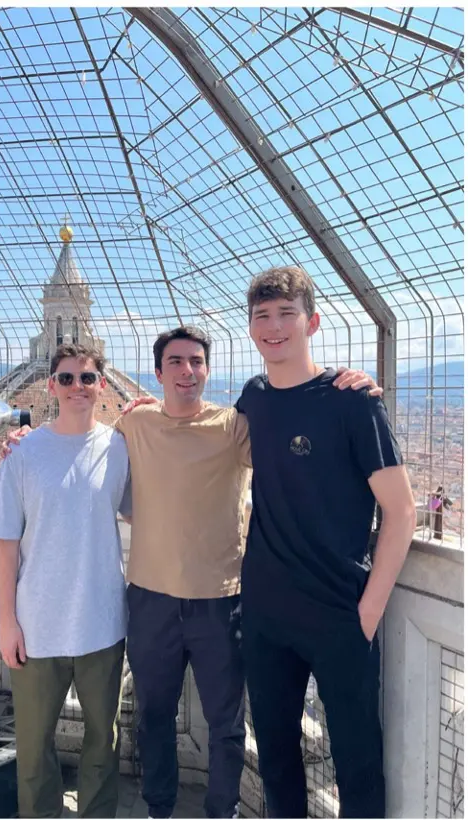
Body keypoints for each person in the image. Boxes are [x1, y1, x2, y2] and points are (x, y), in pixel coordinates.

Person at [5, 326, 380, 819]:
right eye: (176, 362)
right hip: (150, 601)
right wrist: (23, 439)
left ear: (207, 370)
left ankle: (220, 812)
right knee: (153, 717)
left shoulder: (233, 426)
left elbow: (294, 441)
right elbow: (76, 441)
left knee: (227, 725)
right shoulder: (134, 423)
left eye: (196, 361)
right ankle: (160, 809)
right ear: (157, 373)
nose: (187, 371)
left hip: (220, 601)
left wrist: (340, 390)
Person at [235, 266, 416, 818]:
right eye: (262, 316)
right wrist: (142, 415)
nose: (273, 326)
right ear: (251, 328)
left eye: (286, 314)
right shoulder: (254, 398)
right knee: (275, 758)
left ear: (311, 323)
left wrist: (369, 611)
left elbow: (402, 510)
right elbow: (199, 437)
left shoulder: (353, 402)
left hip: (339, 612)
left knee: (357, 763)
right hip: (265, 613)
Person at [0, 343, 131, 819]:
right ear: (51, 386)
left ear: (101, 385)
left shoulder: (121, 447)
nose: (77, 387)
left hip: (102, 624)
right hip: (37, 626)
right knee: (33, 746)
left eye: (86, 378)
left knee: (103, 742)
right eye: (66, 378)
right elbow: (5, 543)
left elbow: (144, 510)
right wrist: (8, 623)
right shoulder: (23, 452)